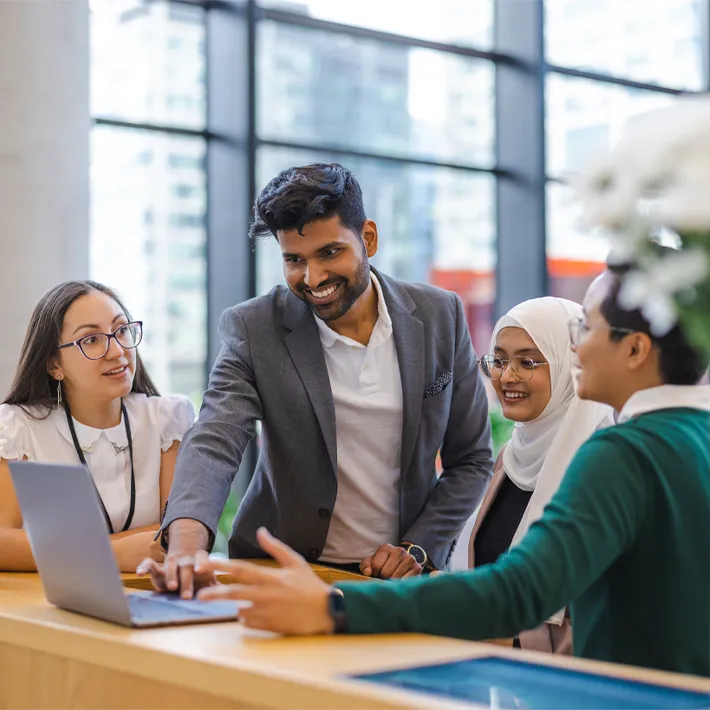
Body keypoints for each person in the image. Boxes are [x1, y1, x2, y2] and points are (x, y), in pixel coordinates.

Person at [192, 258, 710, 677]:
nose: (576, 345)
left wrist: (337, 606)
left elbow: (520, 592)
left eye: (588, 328)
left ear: (637, 350)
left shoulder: (620, 453)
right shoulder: (695, 438)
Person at [139, 162, 493, 595]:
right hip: (286, 570)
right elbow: (215, 438)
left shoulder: (441, 316)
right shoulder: (255, 329)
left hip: (396, 581)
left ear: (368, 239)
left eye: (329, 253)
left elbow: (471, 460)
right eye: (294, 260)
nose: (313, 279)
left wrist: (418, 547)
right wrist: (187, 546)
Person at [0, 281, 195, 572]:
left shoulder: (167, 419)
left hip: (149, 593)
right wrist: (109, 554)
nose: (117, 351)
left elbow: (177, 531)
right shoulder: (19, 427)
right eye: (91, 339)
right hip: (50, 603)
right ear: (54, 364)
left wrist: (55, 548)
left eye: (121, 330)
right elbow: (3, 542)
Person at [471, 297, 613, 654]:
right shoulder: (512, 458)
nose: (506, 376)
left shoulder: (604, 468)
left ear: (570, 364)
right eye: (499, 360)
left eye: (528, 362)